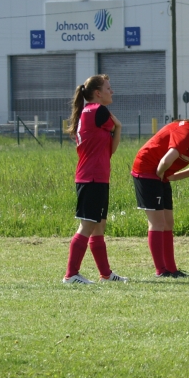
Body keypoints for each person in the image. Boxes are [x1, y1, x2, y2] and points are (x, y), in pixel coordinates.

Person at [131, 116, 189, 277]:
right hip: (147, 170)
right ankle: (161, 271)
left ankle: (172, 269)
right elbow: (166, 161)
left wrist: (173, 177)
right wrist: (161, 175)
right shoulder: (186, 133)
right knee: (157, 223)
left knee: (168, 222)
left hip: (161, 175)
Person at [63, 74, 128, 284]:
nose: (112, 91)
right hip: (92, 178)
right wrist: (117, 126)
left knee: (98, 226)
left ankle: (106, 274)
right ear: (97, 93)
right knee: (87, 225)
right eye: (108, 88)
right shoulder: (98, 110)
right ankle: (71, 275)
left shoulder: (88, 112)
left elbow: (108, 151)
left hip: (96, 177)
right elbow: (113, 148)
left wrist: (117, 127)